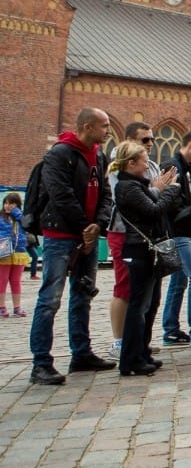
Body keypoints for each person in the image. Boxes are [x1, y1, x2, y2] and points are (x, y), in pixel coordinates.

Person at [28, 107, 116, 385]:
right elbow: (60, 195)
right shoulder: (59, 154)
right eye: (104, 126)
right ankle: (40, 363)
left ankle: (81, 353)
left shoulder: (98, 154)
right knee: (49, 300)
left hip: (86, 234)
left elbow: (105, 194)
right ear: (88, 127)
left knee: (83, 295)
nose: (108, 130)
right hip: (60, 236)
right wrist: (84, 227)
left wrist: (97, 225)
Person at [110, 141, 182, 376]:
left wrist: (159, 189)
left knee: (148, 305)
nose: (146, 165)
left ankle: (141, 353)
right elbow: (153, 211)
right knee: (138, 307)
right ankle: (130, 360)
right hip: (138, 251)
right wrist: (169, 189)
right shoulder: (128, 187)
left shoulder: (136, 185)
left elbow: (153, 202)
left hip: (146, 252)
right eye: (143, 161)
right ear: (131, 163)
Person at [160, 130, 191, 347]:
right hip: (178, 232)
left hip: (184, 231)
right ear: (190, 144)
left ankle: (170, 330)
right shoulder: (173, 166)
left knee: (178, 282)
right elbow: (167, 199)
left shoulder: (186, 168)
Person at [1, 193, 32, 318]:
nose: (8, 206)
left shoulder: (21, 217)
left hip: (19, 251)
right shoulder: (1, 217)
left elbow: (27, 225)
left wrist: (17, 214)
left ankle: (17, 307)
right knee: (2, 281)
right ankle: (1, 307)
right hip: (3, 251)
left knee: (16, 281)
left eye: (12, 203)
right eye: (6, 203)